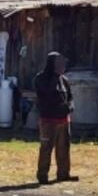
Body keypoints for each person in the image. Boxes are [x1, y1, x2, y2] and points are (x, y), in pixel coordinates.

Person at [34, 51, 78, 184]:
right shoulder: (41, 78)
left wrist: (70, 107)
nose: (63, 66)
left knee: (64, 148)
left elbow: (70, 97)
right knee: (46, 148)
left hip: (64, 120)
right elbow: (47, 92)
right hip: (48, 120)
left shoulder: (64, 80)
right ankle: (42, 176)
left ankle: (63, 174)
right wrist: (55, 74)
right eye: (60, 63)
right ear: (52, 63)